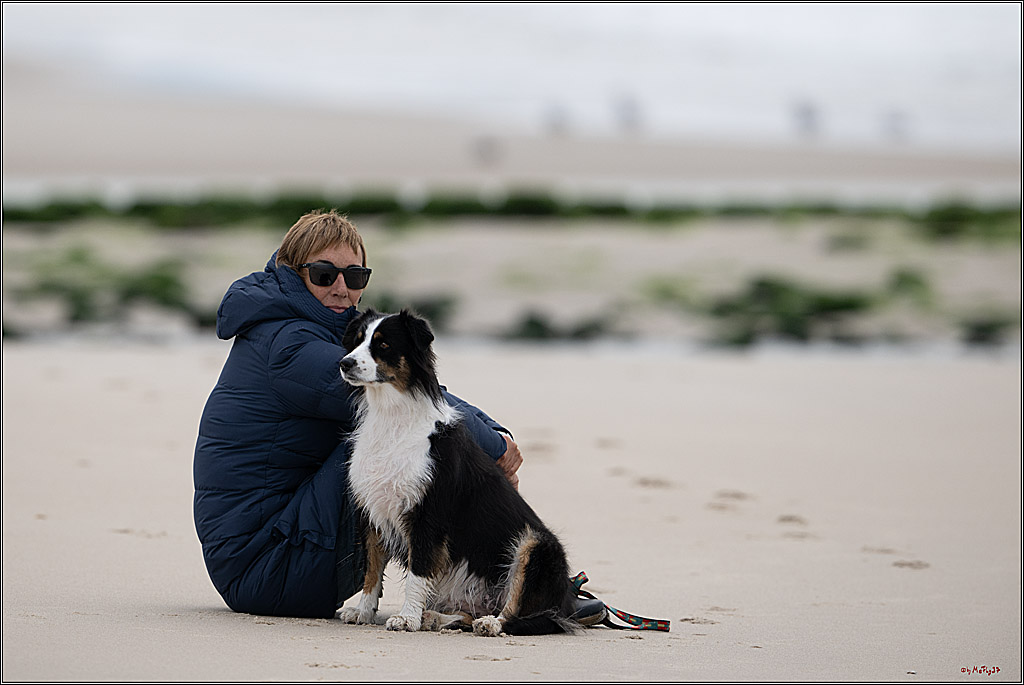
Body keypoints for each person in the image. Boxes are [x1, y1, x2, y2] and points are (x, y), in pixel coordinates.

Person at [192, 210, 523, 618]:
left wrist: (490, 433)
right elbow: (418, 405)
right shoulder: (287, 345)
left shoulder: (318, 329)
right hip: (269, 565)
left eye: (355, 277)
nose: (342, 289)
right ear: (292, 273)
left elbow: (418, 395)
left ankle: (505, 583)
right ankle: (501, 585)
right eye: (324, 274)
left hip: (281, 540)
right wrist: (495, 445)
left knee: (413, 445)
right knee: (410, 448)